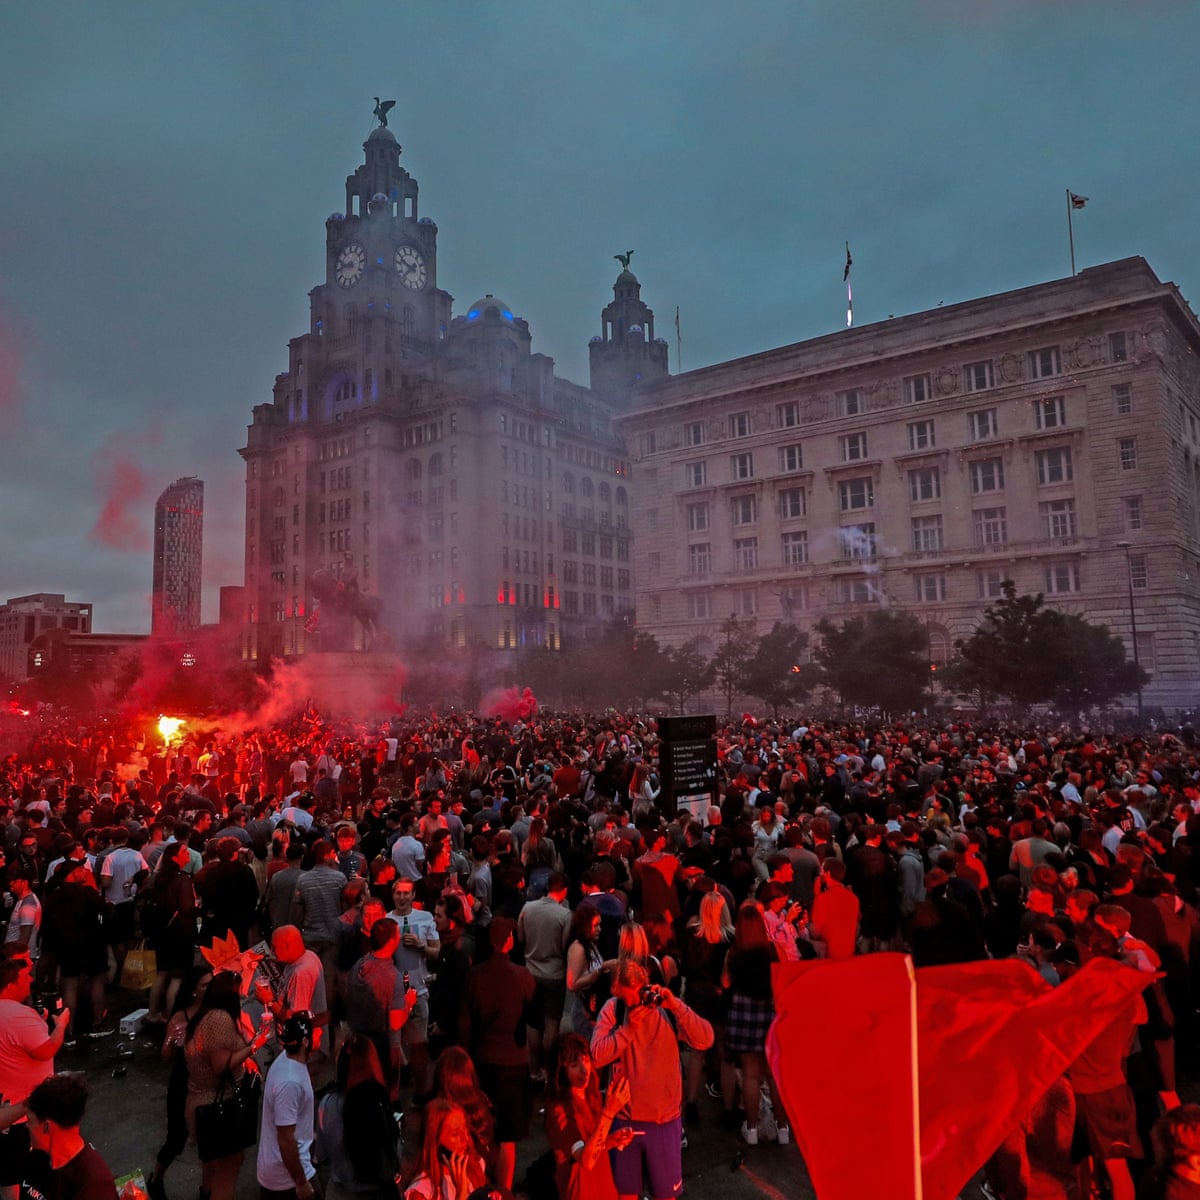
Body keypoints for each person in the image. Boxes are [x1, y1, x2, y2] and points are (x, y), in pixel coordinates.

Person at [590, 959, 714, 1200]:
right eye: (624, 999)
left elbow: (705, 1039)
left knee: (665, 1195)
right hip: (625, 1122)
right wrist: (627, 1031)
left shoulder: (665, 1011)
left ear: (646, 987)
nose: (632, 1005)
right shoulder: (613, 1009)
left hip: (664, 1122)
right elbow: (596, 1056)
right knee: (625, 1193)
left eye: (633, 997)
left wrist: (676, 1005)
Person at [185, 972, 271, 1200]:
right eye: (240, 990)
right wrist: (254, 1046)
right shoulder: (219, 1019)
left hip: (204, 1104)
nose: (243, 994)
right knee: (226, 1173)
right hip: (215, 1108)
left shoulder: (206, 1016)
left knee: (214, 1167)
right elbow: (220, 1065)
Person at [0, 947, 68, 1198]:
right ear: (12, 982)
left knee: (9, 1178)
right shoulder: (19, 1015)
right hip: (24, 1115)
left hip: (5, 1111)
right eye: (26, 975)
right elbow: (47, 1049)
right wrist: (60, 1026)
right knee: (34, 1175)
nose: (30, 979)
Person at [723, 903, 788, 1147]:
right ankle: (783, 1128)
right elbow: (783, 980)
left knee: (750, 1075)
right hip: (769, 1015)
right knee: (774, 1076)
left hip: (744, 1014)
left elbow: (726, 982)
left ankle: (751, 1129)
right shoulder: (772, 950)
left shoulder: (734, 953)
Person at [145, 967, 212, 1200]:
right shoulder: (180, 1016)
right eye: (204, 984)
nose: (210, 988)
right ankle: (156, 1179)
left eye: (211, 983)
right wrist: (172, 1042)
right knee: (176, 1138)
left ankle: (206, 1191)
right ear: (194, 991)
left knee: (209, 1143)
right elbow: (165, 1056)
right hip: (183, 1084)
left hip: (209, 1083)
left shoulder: (216, 1012)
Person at [545, 1034, 636, 1200]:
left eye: (586, 1061)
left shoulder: (591, 1097)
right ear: (561, 1071)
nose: (584, 1070)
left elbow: (592, 1145)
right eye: (574, 1065)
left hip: (604, 1188)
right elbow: (586, 1160)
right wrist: (608, 1113)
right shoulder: (560, 1111)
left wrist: (611, 1141)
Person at [314, 1035, 398, 1200]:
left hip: (338, 1192)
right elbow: (393, 1159)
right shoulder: (378, 1103)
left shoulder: (326, 1104)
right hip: (376, 1193)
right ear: (373, 1066)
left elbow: (321, 1154)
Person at [20, 1072, 116, 1200]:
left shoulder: (94, 1184)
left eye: (29, 1121)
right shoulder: (37, 1158)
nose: (26, 1126)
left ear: (47, 1127)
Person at [258, 1013, 318, 1200]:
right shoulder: (290, 1082)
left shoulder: (286, 1060)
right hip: (287, 1179)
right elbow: (285, 1138)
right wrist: (301, 1182)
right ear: (306, 1042)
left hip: (281, 1171)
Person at [402, 1100, 486, 1200]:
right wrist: (461, 1193)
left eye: (465, 1128)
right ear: (435, 1141)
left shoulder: (475, 1166)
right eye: (455, 1134)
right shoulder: (421, 1191)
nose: (465, 1139)